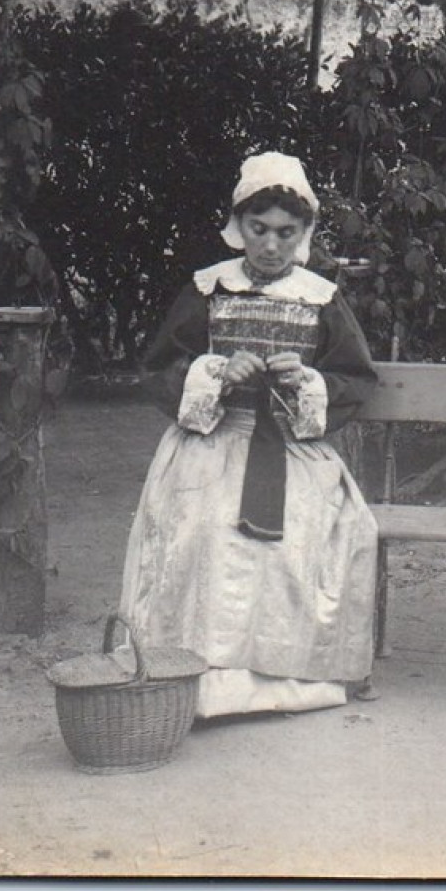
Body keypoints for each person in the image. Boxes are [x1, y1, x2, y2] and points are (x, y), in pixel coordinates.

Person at [119, 151, 380, 719]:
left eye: (286, 234)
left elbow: (356, 380)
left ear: (305, 233)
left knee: (308, 537)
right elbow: (160, 368)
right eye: (258, 230)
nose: (270, 246)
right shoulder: (209, 289)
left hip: (292, 446)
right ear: (239, 227)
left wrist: (306, 380)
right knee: (203, 529)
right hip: (214, 441)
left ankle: (292, 680)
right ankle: (196, 680)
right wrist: (212, 372)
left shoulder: (321, 298)